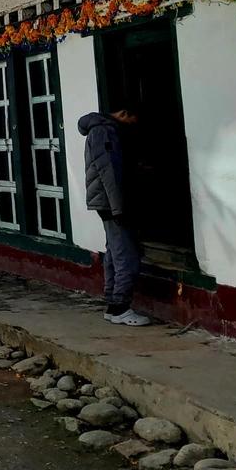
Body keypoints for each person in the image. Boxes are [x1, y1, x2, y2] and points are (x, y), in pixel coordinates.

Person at [80, 108, 150, 326]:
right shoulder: (104, 132)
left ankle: (113, 304)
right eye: (132, 117)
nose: (133, 122)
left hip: (108, 201)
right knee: (125, 255)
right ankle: (120, 307)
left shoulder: (100, 130)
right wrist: (119, 208)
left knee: (114, 251)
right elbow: (108, 171)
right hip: (112, 203)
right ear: (123, 113)